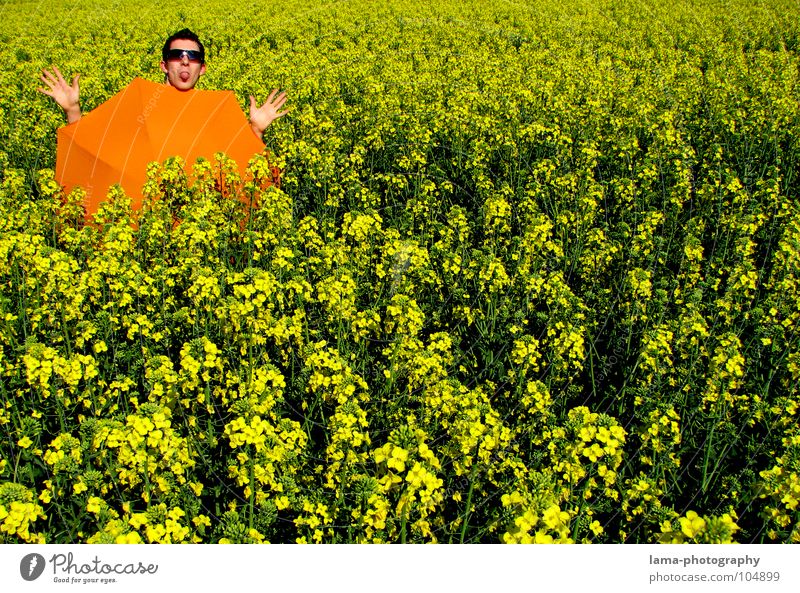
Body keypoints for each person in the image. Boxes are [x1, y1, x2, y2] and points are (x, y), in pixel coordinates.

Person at [37, 28, 288, 139]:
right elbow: (98, 151)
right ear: (164, 65)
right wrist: (72, 111)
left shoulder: (213, 111)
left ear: (203, 68)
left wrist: (255, 131)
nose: (185, 62)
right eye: (177, 56)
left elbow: (241, 167)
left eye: (193, 57)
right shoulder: (139, 103)